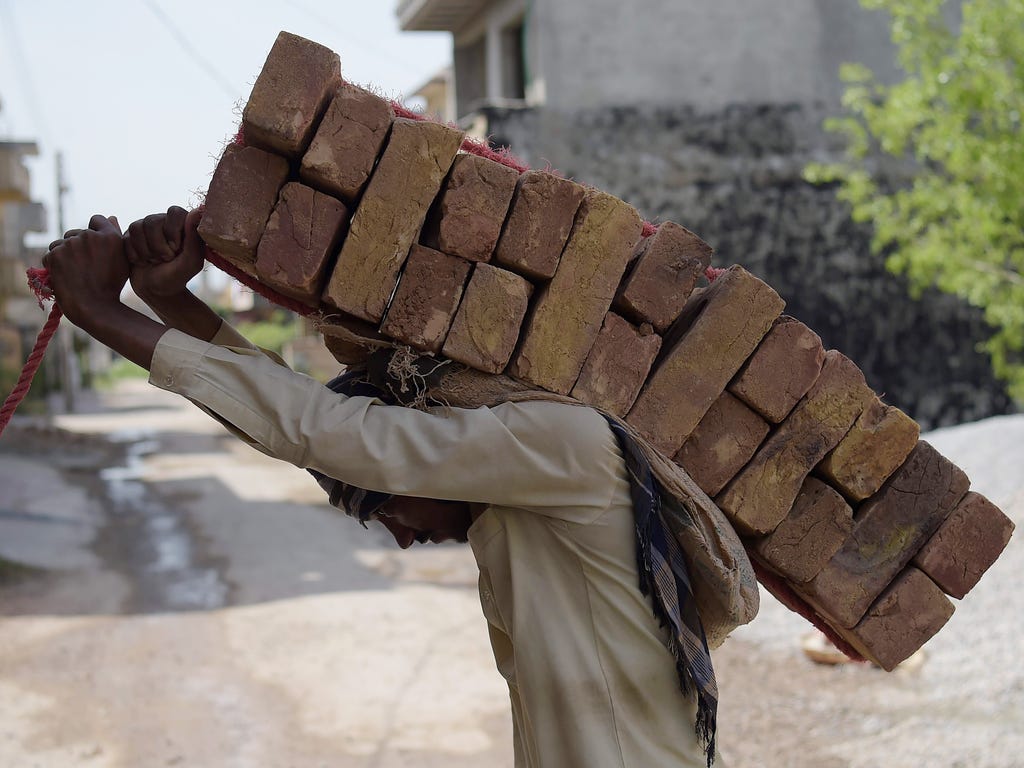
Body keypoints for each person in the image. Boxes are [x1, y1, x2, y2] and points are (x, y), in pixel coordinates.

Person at [43, 207, 755, 768]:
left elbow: (327, 431)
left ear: (423, 433)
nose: (403, 533)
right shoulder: (521, 476)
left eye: (384, 505)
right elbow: (320, 426)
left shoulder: (561, 446)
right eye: (387, 508)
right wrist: (173, 301)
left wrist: (104, 316)